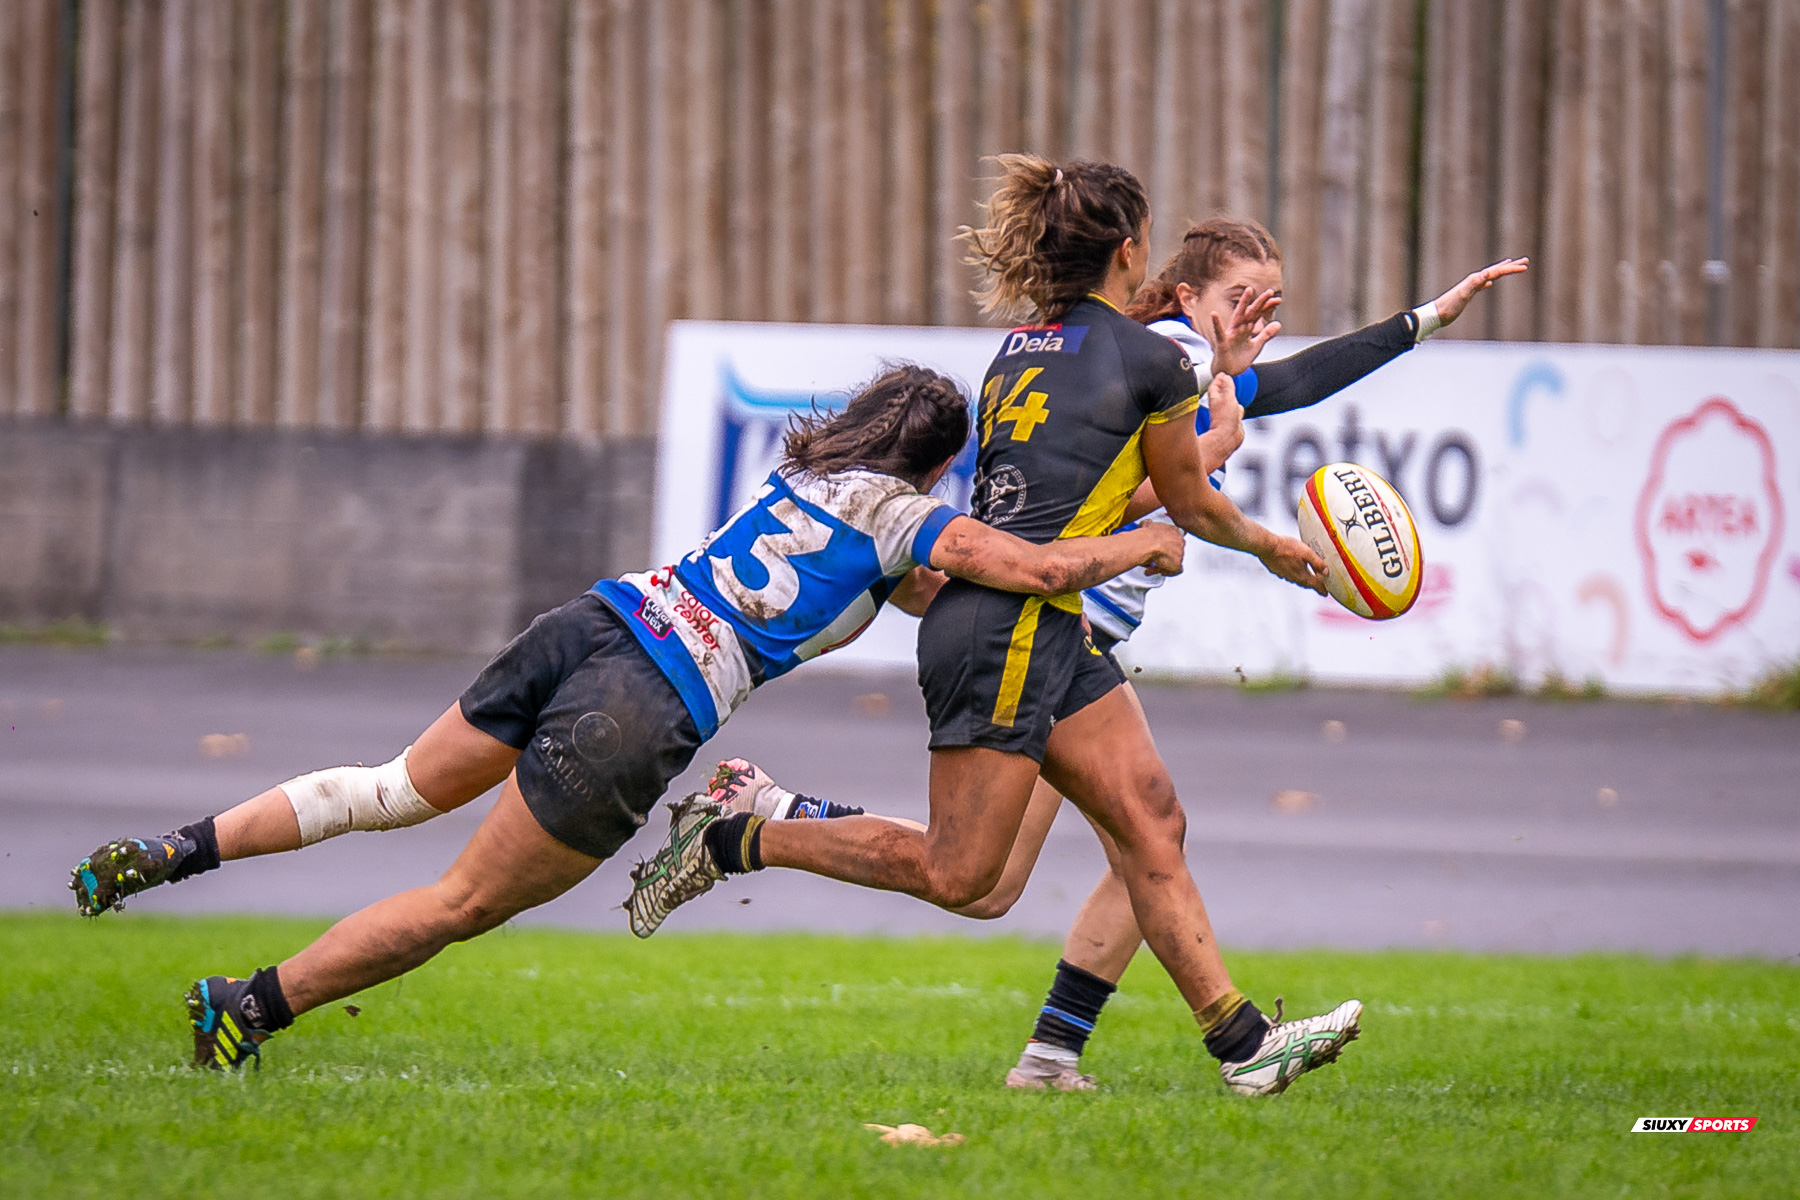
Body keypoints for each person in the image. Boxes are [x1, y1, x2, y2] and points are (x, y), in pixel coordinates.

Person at [68, 364, 1186, 1070]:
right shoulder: (901, 517)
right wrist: (1139, 536)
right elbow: (1015, 570)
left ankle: (166, 854)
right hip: (639, 704)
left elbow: (954, 589)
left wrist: (1118, 506)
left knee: (388, 790)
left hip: (595, 623)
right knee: (459, 902)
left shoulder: (801, 480)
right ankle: (245, 1009)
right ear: (941, 465)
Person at [626, 155, 1364, 1099]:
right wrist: (1273, 548)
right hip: (1008, 631)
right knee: (965, 876)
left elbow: (1086, 476)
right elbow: (1190, 504)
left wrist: (1209, 392)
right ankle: (745, 833)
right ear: (1131, 249)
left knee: (1152, 821)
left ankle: (1242, 1045)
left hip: (1038, 623)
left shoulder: (1022, 347)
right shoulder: (1150, 361)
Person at [957, 222, 1529, 1091]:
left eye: (1270, 302)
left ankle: (1058, 1055)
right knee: (986, 880)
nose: (1257, 315)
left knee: (1150, 839)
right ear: (1187, 299)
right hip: (1052, 632)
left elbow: (1298, 380)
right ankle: (768, 822)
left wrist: (1426, 319)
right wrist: (1218, 451)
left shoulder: (1191, 366)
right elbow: (1130, 498)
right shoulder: (1168, 355)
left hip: (1081, 643)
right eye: (1239, 298)